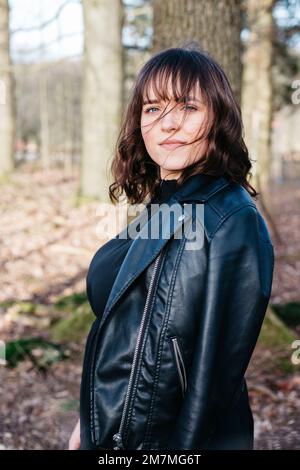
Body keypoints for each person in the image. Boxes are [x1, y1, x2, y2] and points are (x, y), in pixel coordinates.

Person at [68, 45, 274, 450]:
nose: (168, 124)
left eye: (187, 107)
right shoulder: (164, 207)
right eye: (152, 108)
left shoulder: (230, 217)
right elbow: (127, 335)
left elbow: (214, 379)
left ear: (217, 118)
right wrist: (89, 423)